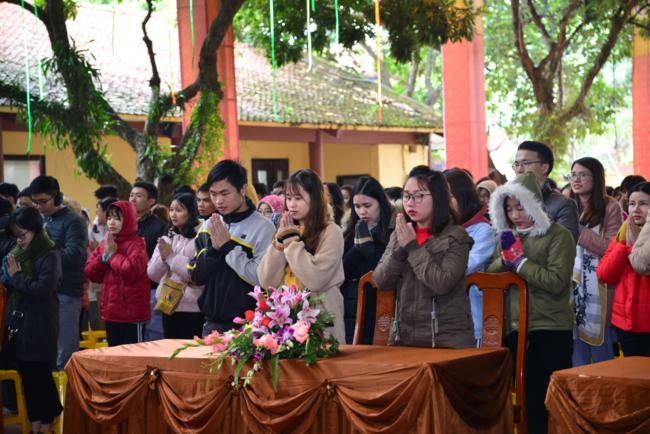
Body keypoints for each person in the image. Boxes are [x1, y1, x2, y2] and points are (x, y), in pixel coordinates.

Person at [486, 172, 575, 434]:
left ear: (535, 204)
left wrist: (521, 263)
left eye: (520, 207)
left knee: (549, 402)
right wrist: (505, 261)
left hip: (549, 328)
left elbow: (556, 281)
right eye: (509, 209)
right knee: (524, 401)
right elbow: (489, 275)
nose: (515, 215)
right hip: (515, 330)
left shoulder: (558, 235)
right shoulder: (507, 237)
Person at [373, 167, 474, 349]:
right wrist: (400, 249)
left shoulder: (456, 237)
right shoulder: (400, 234)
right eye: (406, 196)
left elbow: (442, 283)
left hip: (445, 339)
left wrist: (412, 247)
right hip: (404, 337)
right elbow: (380, 281)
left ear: (438, 198)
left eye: (418, 196)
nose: (410, 203)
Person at [188, 160, 275, 336]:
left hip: (250, 326)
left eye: (224, 193)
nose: (218, 201)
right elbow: (195, 276)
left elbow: (261, 279)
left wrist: (228, 247)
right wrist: (213, 251)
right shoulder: (209, 225)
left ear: (242, 189)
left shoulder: (263, 228)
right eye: (213, 194)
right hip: (211, 325)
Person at [258, 169, 346, 342]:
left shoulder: (331, 231)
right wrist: (280, 241)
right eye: (288, 198)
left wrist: (291, 242)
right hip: (287, 319)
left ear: (315, 199)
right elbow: (266, 281)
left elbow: (315, 279)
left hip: (321, 320)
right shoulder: (287, 230)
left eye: (298, 198)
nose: (291, 204)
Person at [1, 207, 63, 433]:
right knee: (27, 380)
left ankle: (47, 426)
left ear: (35, 230)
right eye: (16, 236)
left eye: (23, 235)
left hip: (40, 324)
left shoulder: (49, 253)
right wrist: (10, 277)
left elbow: (44, 289)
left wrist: (17, 278)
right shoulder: (17, 252)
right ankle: (35, 426)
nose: (19, 240)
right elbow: (6, 279)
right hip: (19, 324)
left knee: (41, 379)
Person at [29, 176, 87, 370]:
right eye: (35, 202)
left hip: (66, 292)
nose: (39, 207)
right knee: (45, 352)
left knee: (65, 353)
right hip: (43, 291)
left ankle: (69, 390)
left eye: (43, 201)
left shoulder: (74, 222)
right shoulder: (41, 220)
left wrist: (42, 249)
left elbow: (74, 257)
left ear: (57, 197)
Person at [569, 157, 622, 366]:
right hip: (572, 287)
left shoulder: (610, 206)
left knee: (602, 357)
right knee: (576, 355)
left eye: (583, 175)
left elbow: (611, 248)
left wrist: (578, 230)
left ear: (596, 178)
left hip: (600, 286)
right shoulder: (568, 205)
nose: (576, 180)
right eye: (573, 175)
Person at [84, 201, 150, 346]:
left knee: (132, 355)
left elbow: (131, 271)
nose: (111, 222)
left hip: (132, 316)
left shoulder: (137, 244)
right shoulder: (107, 242)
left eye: (117, 218)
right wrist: (103, 257)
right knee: (114, 354)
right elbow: (90, 272)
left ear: (128, 220)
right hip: (111, 313)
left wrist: (112, 256)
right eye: (109, 218)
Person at [598, 182, 650, 357]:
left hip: (646, 322)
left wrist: (636, 246)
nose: (636, 209)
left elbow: (641, 266)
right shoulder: (624, 232)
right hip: (625, 323)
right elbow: (604, 274)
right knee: (631, 373)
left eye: (644, 204)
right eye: (632, 203)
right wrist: (625, 246)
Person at [445, 168, 495, 346]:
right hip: (442, 320)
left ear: (463, 196)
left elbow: (463, 267)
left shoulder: (482, 230)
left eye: (449, 196)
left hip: (471, 319)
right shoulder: (439, 229)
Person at [340, 176, 393, 344]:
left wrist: (367, 246)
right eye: (357, 206)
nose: (362, 212)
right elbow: (340, 271)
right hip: (351, 307)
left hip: (381, 306)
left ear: (380, 203)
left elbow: (387, 270)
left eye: (367, 206)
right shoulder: (348, 233)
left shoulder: (392, 232)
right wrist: (357, 248)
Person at [147, 194, 204, 339]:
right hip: (168, 304)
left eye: (179, 210)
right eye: (171, 210)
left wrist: (171, 257)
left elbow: (194, 274)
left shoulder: (200, 239)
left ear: (191, 212)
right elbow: (153, 275)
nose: (173, 214)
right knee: (171, 349)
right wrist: (163, 257)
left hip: (193, 308)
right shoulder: (167, 238)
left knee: (191, 349)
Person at [513, 141, 580, 241]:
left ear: (544, 168)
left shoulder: (564, 205)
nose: (519, 169)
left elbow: (564, 245)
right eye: (516, 164)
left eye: (525, 163)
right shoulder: (510, 201)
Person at [129, 181, 168, 341]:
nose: (133, 199)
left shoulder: (159, 227)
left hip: (150, 288)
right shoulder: (123, 224)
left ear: (151, 201)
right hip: (128, 288)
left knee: (152, 337)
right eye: (131, 195)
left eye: (138, 196)